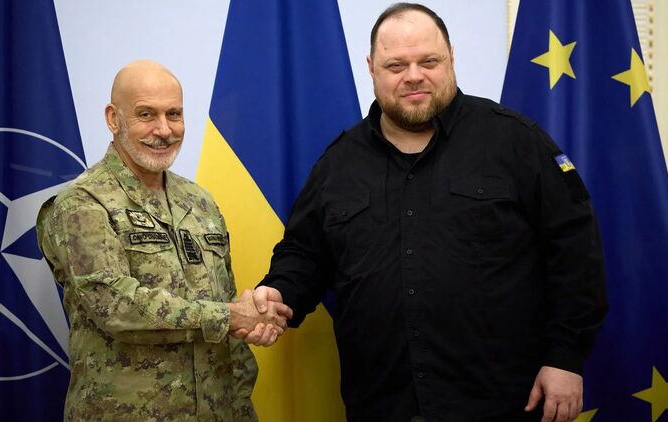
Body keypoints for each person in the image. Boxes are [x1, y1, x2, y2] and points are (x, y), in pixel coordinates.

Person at [245, 4, 607, 422]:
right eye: (396, 65)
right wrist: (279, 293)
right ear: (372, 68)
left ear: (451, 57)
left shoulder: (516, 142)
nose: (414, 76)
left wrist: (565, 356)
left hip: (504, 401)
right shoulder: (338, 164)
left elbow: (576, 253)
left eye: (428, 62)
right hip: (382, 404)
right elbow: (305, 255)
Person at [36, 60, 291, 421]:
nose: (164, 130)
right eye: (146, 114)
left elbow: (227, 316)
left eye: (174, 114)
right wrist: (230, 316)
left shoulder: (199, 201)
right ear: (113, 118)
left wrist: (248, 324)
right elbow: (116, 306)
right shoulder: (82, 203)